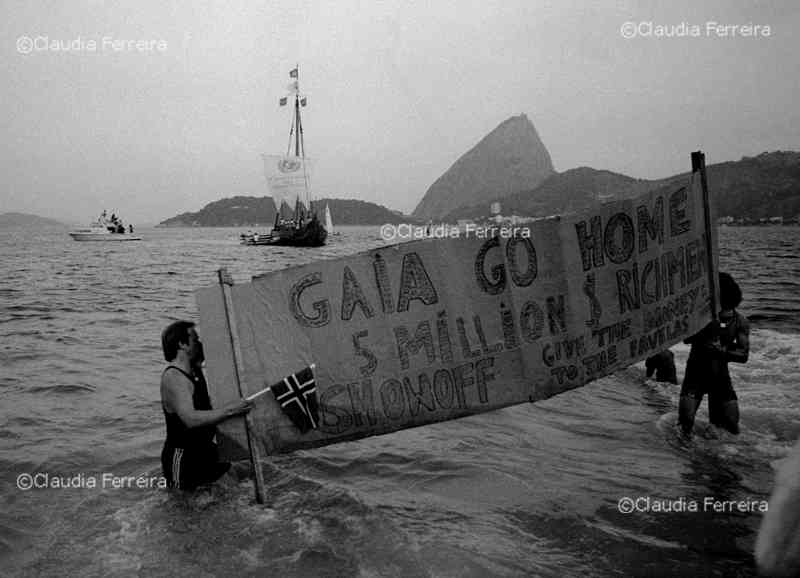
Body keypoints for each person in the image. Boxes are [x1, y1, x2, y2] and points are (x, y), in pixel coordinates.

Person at [160, 320, 252, 490]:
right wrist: (231, 410)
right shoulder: (174, 378)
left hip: (206, 450)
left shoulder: (194, 369)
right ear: (182, 344)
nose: (200, 343)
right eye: (195, 339)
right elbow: (190, 419)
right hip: (184, 457)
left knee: (238, 484)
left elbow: (218, 351)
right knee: (184, 509)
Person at [678, 272, 750, 435]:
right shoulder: (700, 316)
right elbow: (686, 339)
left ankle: (720, 457)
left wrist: (722, 351)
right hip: (695, 374)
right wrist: (702, 328)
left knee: (731, 427)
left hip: (720, 377)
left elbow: (744, 355)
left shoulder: (741, 321)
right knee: (685, 422)